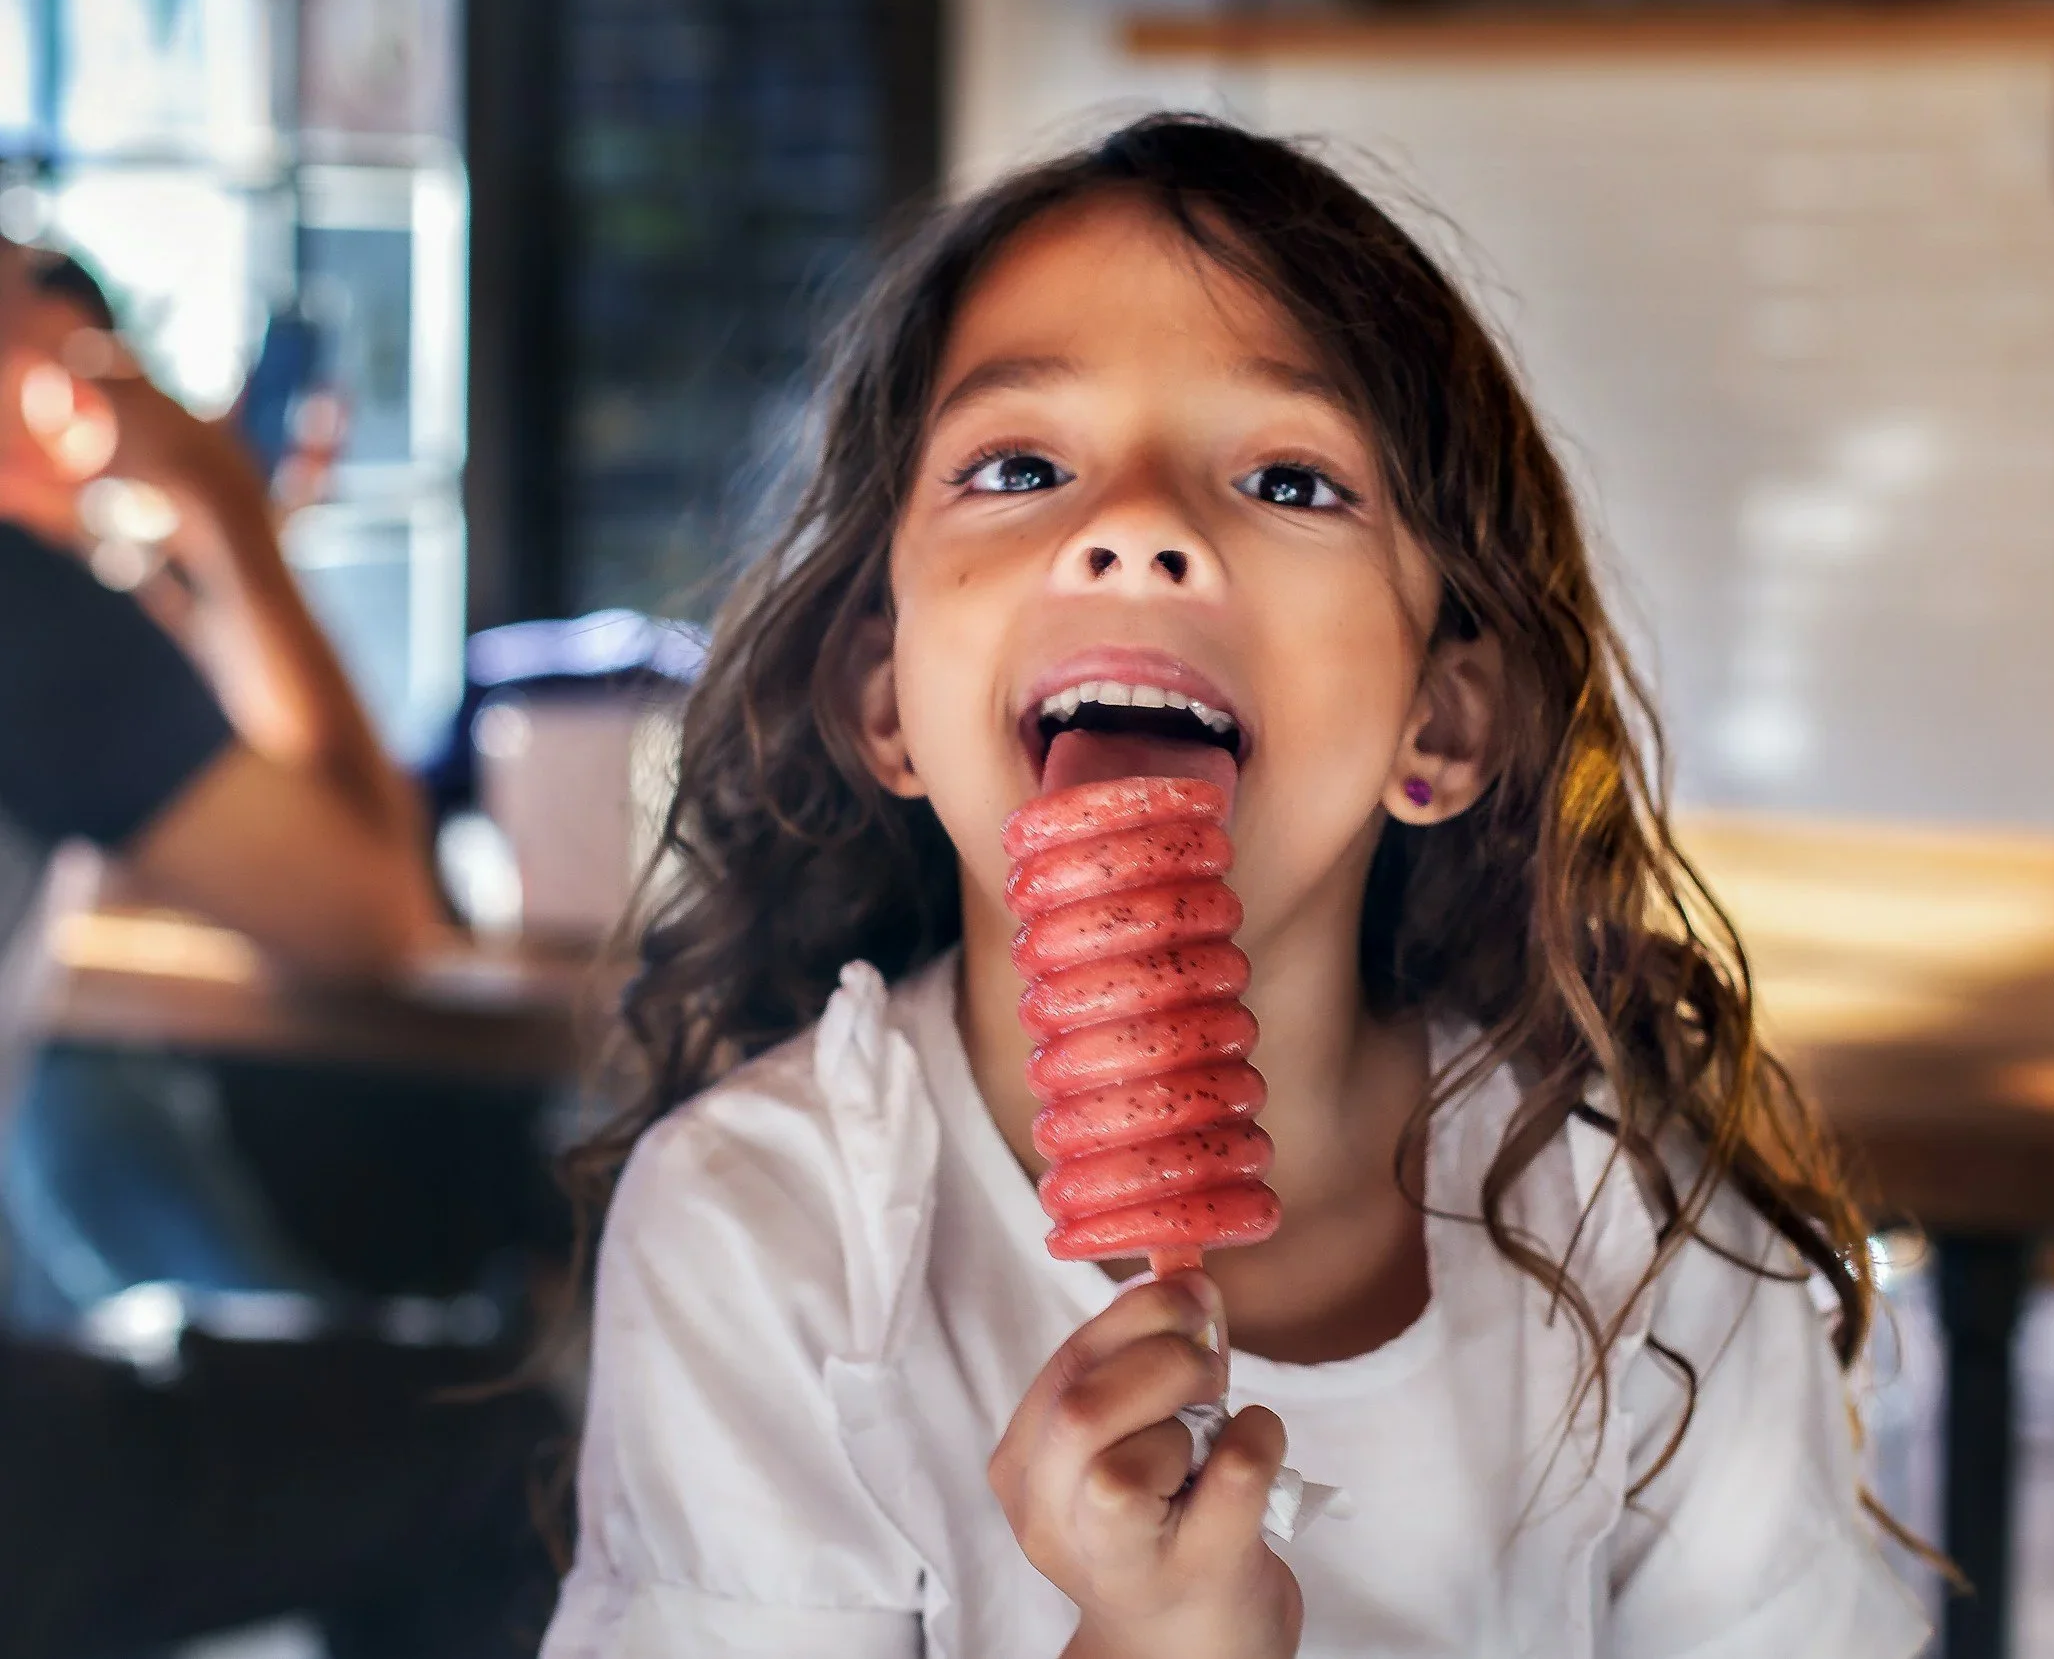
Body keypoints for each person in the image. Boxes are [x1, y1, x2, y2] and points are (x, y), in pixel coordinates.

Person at [546, 117, 1926, 1659]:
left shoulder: (1643, 1244)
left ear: (1442, 721)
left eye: (1287, 477)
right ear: (886, 696)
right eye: (1021, 467)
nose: (1135, 527)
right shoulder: (769, 1232)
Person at [0, 243, 555, 1658]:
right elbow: (374, 917)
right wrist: (228, 510)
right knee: (510, 1440)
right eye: (63, 363)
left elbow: (179, 781)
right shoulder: (23, 611)